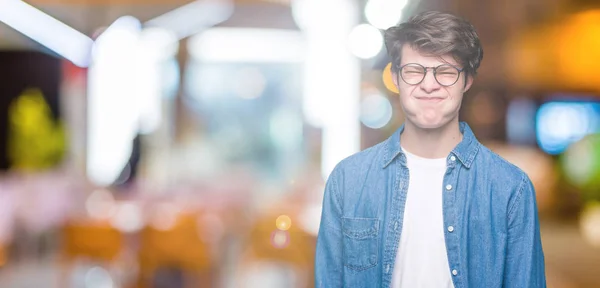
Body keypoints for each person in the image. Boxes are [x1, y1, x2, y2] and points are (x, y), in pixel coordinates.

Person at [315, 10, 546, 288]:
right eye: (414, 71)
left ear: (467, 81)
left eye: (445, 72)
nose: (428, 84)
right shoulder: (347, 180)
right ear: (397, 78)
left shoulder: (510, 188)